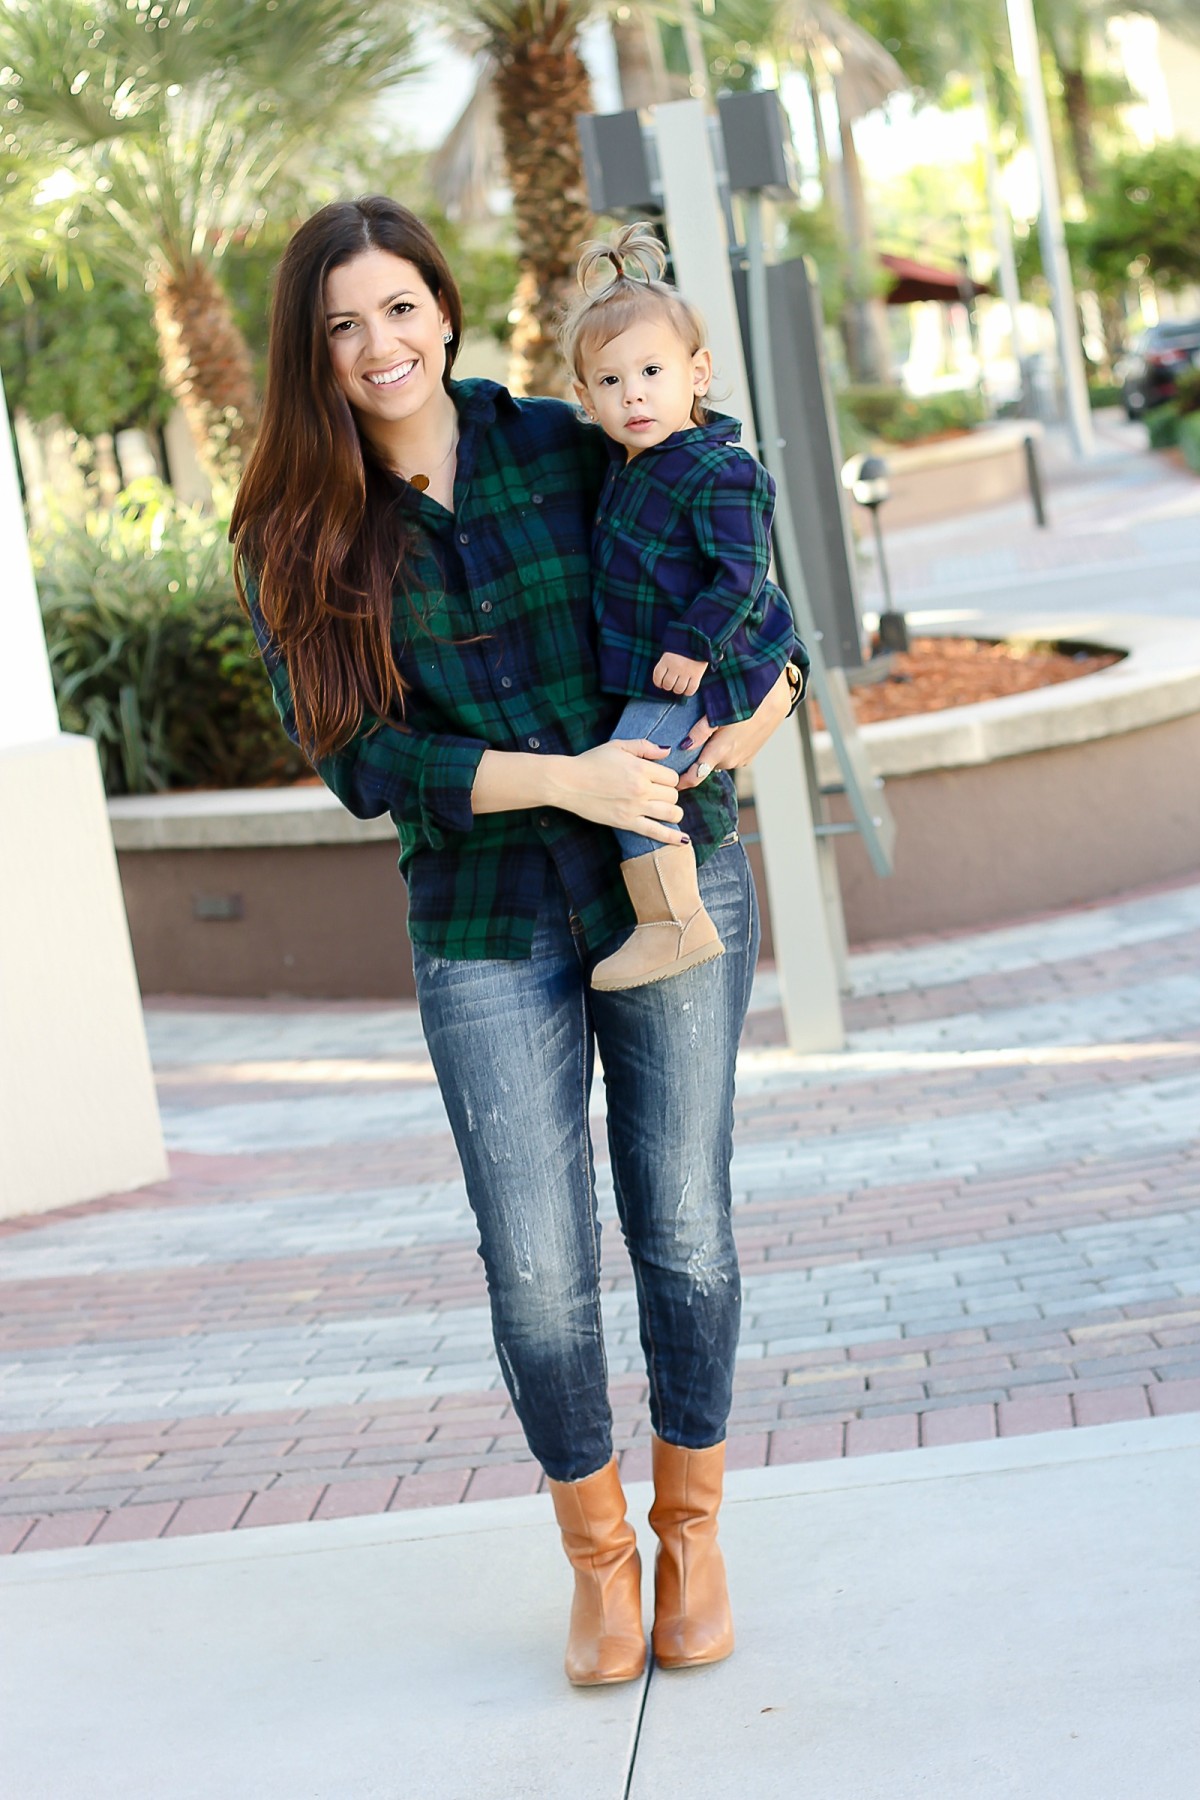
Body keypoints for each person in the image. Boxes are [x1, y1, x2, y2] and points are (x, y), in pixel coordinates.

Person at [230, 196, 805, 1688]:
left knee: (683, 1223)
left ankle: (694, 1535)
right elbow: (364, 761)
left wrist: (759, 703)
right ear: (311, 348)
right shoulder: (297, 528)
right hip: (485, 925)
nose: (379, 345)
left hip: (668, 880)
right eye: (343, 323)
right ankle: (599, 1560)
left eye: (400, 308)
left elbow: (749, 598)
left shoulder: (569, 437)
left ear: (446, 307)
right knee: (540, 1270)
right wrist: (564, 778)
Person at [562, 223, 799, 994]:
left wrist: (695, 645)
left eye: (652, 371)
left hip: (693, 673)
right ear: (584, 397)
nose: (632, 393)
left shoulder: (718, 471)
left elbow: (742, 572)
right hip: (655, 670)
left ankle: (674, 923)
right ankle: (671, 919)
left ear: (697, 374)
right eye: (609, 381)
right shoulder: (628, 465)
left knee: (633, 782)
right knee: (635, 777)